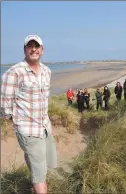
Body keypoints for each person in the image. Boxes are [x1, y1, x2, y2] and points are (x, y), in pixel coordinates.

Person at [0, 34, 57, 194]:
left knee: (44, 164)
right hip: (28, 130)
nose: (33, 49)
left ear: (42, 50)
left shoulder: (47, 71)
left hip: (45, 127)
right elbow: (5, 106)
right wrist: (19, 122)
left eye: (36, 46)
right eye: (29, 46)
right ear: (24, 50)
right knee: (40, 176)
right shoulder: (14, 73)